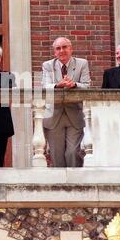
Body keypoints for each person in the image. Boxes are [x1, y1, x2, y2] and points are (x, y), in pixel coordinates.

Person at [42, 37, 91, 167]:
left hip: (74, 114)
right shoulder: (47, 65)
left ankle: (76, 185)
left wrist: (74, 84)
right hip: (53, 116)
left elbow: (87, 86)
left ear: (71, 49)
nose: (62, 50)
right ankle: (59, 185)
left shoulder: (82, 64)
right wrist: (58, 85)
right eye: (58, 48)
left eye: (65, 47)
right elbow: (45, 86)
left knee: (72, 153)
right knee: (56, 155)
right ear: (54, 52)